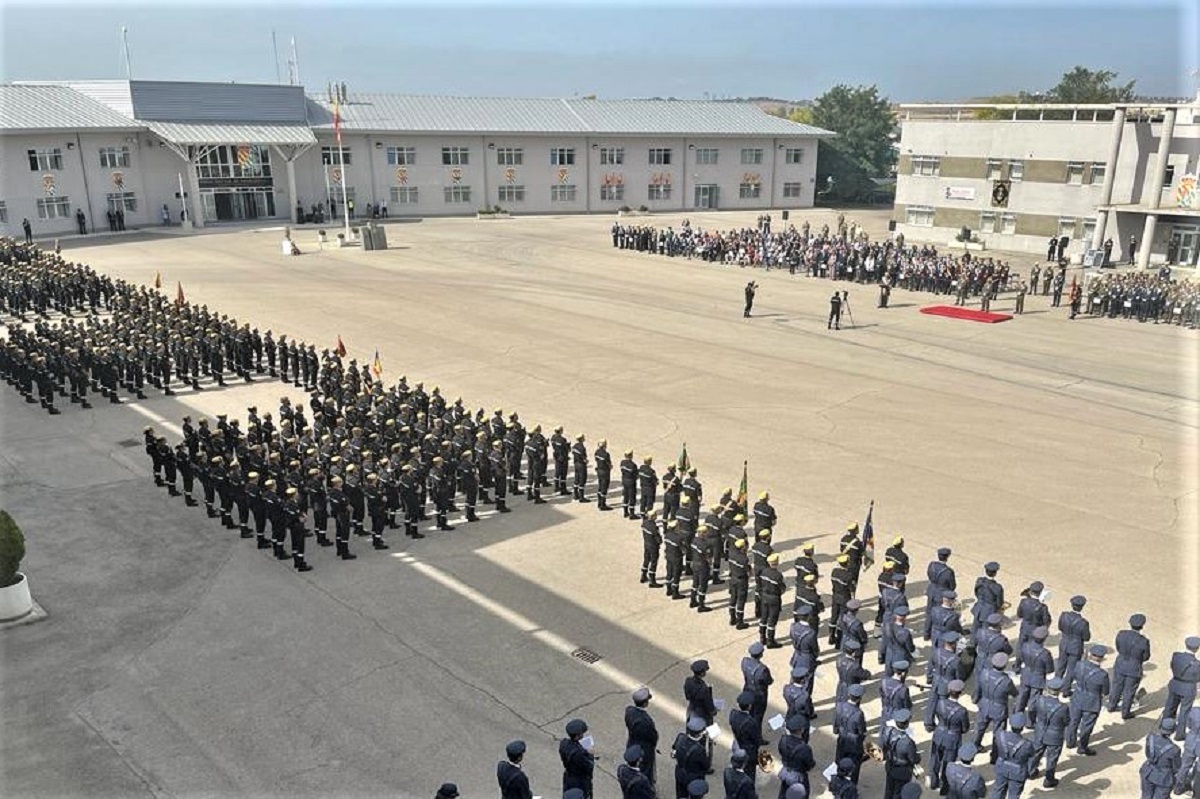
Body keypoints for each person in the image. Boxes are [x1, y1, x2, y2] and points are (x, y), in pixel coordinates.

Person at [1066, 644, 1110, 755]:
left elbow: (1073, 676)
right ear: (1102, 658)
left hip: (1077, 697)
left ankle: (1070, 742)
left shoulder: (1079, 665)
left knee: (1073, 722)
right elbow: (1106, 691)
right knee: (1087, 726)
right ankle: (1082, 747)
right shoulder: (1102, 675)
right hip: (1092, 702)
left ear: (1090, 655)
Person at [1111, 613, 1151, 719]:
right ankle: (1125, 713)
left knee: (1116, 686)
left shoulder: (1121, 634)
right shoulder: (1143, 641)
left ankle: (1112, 706)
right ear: (1142, 626)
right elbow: (1146, 657)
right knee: (1129, 691)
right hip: (1134, 667)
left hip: (1121, 663)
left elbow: (1118, 647)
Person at [1161, 636, 1200, 740]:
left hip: (1175, 684)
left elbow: (1172, 666)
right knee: (1184, 712)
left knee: (1169, 707)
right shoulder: (1197, 664)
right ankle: (1180, 735)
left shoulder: (1176, 656)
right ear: (1197, 648)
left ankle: (1164, 728)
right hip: (1188, 689)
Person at [625, 687, 659, 789]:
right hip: (644, 747)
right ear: (645, 703)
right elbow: (652, 737)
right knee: (646, 771)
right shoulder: (645, 721)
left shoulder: (629, 711)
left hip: (632, 742)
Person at [1141, 720, 1183, 799]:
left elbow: (1147, 754)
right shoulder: (1175, 749)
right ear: (1173, 731)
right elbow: (1176, 767)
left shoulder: (1150, 738)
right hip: (1163, 778)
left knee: (1146, 796)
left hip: (1148, 771)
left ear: (1160, 726)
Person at [672, 717, 711, 799]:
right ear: (699, 734)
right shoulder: (700, 750)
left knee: (680, 794)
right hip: (693, 777)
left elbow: (674, 748)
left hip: (680, 772)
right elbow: (706, 766)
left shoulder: (680, 737)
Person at [560, 718, 595, 797]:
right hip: (580, 781)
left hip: (568, 777)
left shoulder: (563, 744)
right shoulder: (578, 754)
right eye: (581, 734)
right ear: (576, 736)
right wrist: (590, 754)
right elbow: (589, 767)